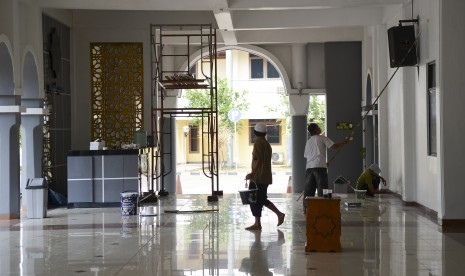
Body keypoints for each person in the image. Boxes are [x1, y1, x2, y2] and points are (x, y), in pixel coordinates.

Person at [245, 123, 285, 231]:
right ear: (265, 133)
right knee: (258, 199)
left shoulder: (258, 143)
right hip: (265, 176)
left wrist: (253, 173)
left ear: (255, 132)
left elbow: (259, 160)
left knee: (257, 198)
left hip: (258, 177)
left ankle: (279, 214)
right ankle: (257, 223)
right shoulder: (267, 144)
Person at [303, 123, 350, 212]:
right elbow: (334, 146)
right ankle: (323, 208)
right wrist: (345, 141)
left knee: (309, 189)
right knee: (322, 189)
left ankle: (306, 208)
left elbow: (307, 155)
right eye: (318, 127)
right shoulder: (322, 138)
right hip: (320, 168)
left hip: (309, 168)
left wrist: (323, 162)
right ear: (316, 130)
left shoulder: (308, 141)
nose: (320, 128)